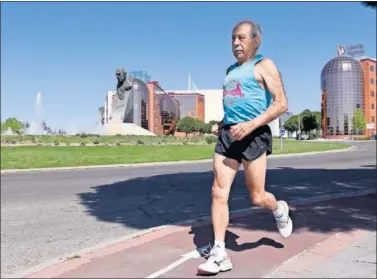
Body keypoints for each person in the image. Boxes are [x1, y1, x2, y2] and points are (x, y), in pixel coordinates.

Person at [197, 20, 293, 275]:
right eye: (232, 39)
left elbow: (281, 104)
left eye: (241, 38)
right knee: (218, 191)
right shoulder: (230, 70)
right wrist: (223, 123)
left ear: (255, 40)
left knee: (257, 197)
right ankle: (219, 252)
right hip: (229, 135)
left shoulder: (264, 65)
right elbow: (236, 105)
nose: (236, 43)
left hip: (254, 134)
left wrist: (250, 125)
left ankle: (279, 209)